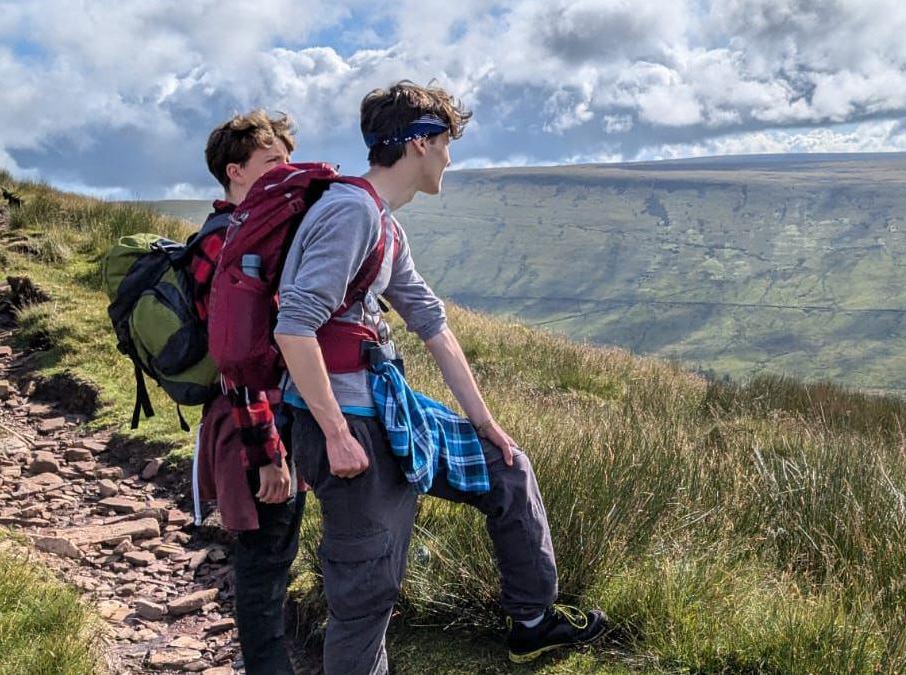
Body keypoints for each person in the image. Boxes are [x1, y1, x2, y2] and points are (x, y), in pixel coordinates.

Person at [274, 81, 607, 674]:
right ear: (421, 144)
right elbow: (294, 327)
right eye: (448, 143)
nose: (451, 157)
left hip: (386, 408)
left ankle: (533, 622)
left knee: (506, 468)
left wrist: (489, 424)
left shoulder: (383, 224)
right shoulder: (350, 213)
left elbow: (432, 324)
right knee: (366, 597)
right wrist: (334, 434)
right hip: (349, 423)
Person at [199, 110, 303, 675]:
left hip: (264, 422)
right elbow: (236, 362)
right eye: (272, 163)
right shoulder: (228, 244)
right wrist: (268, 453)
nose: (286, 171)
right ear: (236, 171)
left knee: (272, 563)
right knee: (263, 572)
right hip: (252, 430)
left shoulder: (244, 237)